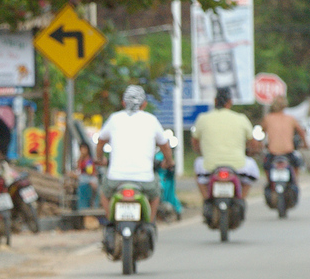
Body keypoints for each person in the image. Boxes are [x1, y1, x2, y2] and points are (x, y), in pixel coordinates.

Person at [95, 85, 173, 223]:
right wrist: (169, 161)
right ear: (144, 104)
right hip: (145, 180)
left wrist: (99, 159)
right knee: (155, 195)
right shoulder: (151, 120)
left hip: (116, 179)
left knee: (104, 194)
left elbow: (100, 142)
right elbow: (165, 146)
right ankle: (150, 222)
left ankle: (111, 223)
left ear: (123, 103)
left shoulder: (114, 119)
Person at [192, 87, 260, 199]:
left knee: (198, 165)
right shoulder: (241, 118)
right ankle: (242, 198)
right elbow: (253, 143)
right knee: (252, 168)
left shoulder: (203, 118)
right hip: (238, 165)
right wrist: (251, 152)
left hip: (209, 166)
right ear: (230, 102)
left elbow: (195, 142)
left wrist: (201, 152)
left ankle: (206, 199)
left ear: (215, 101)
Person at [260, 95, 307, 182]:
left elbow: (261, 133)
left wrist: (260, 144)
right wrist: (305, 144)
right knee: (297, 165)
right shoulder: (290, 118)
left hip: (273, 153)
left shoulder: (268, 118)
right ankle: (294, 181)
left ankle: (270, 182)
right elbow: (301, 132)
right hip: (288, 152)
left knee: (266, 166)